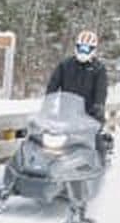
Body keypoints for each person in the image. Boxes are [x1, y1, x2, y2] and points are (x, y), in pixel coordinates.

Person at [46, 30, 111, 159]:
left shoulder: (98, 68)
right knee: (49, 140)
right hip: (66, 113)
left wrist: (98, 106)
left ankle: (100, 162)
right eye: (81, 48)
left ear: (93, 50)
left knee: (95, 141)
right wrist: (48, 103)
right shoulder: (65, 65)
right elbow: (53, 85)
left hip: (90, 115)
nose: (83, 51)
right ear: (76, 47)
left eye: (87, 49)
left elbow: (101, 90)